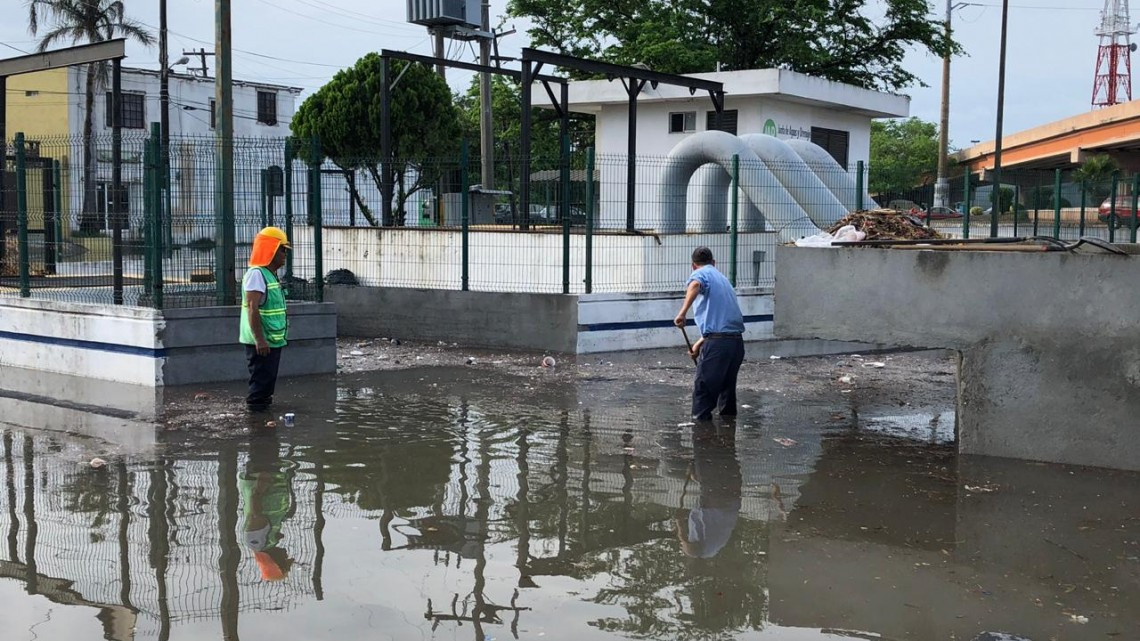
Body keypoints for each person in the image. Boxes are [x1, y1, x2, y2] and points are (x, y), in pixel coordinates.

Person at [674, 246, 745, 421]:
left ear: (693, 266)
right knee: (726, 390)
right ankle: (727, 434)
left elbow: (696, 284)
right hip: (735, 344)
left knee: (703, 389)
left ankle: (702, 436)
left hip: (719, 344)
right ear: (714, 262)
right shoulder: (723, 279)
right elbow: (720, 325)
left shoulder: (700, 274)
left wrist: (682, 313)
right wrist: (698, 345)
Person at [240, 226, 290, 412]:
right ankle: (256, 424)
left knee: (267, 382)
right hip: (262, 342)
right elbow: (253, 308)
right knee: (260, 384)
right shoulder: (257, 274)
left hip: (272, 340)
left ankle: (262, 417)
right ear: (271, 250)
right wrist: (259, 340)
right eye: (282, 249)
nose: (285, 254)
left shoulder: (269, 275)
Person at [241, 433, 295, 582]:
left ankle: (261, 422)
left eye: (285, 560)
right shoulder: (265, 542)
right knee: (269, 442)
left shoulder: (258, 542)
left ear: (275, 561)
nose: (286, 555)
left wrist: (261, 483)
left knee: (264, 441)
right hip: (268, 475)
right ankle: (263, 422)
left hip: (262, 473)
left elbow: (255, 512)